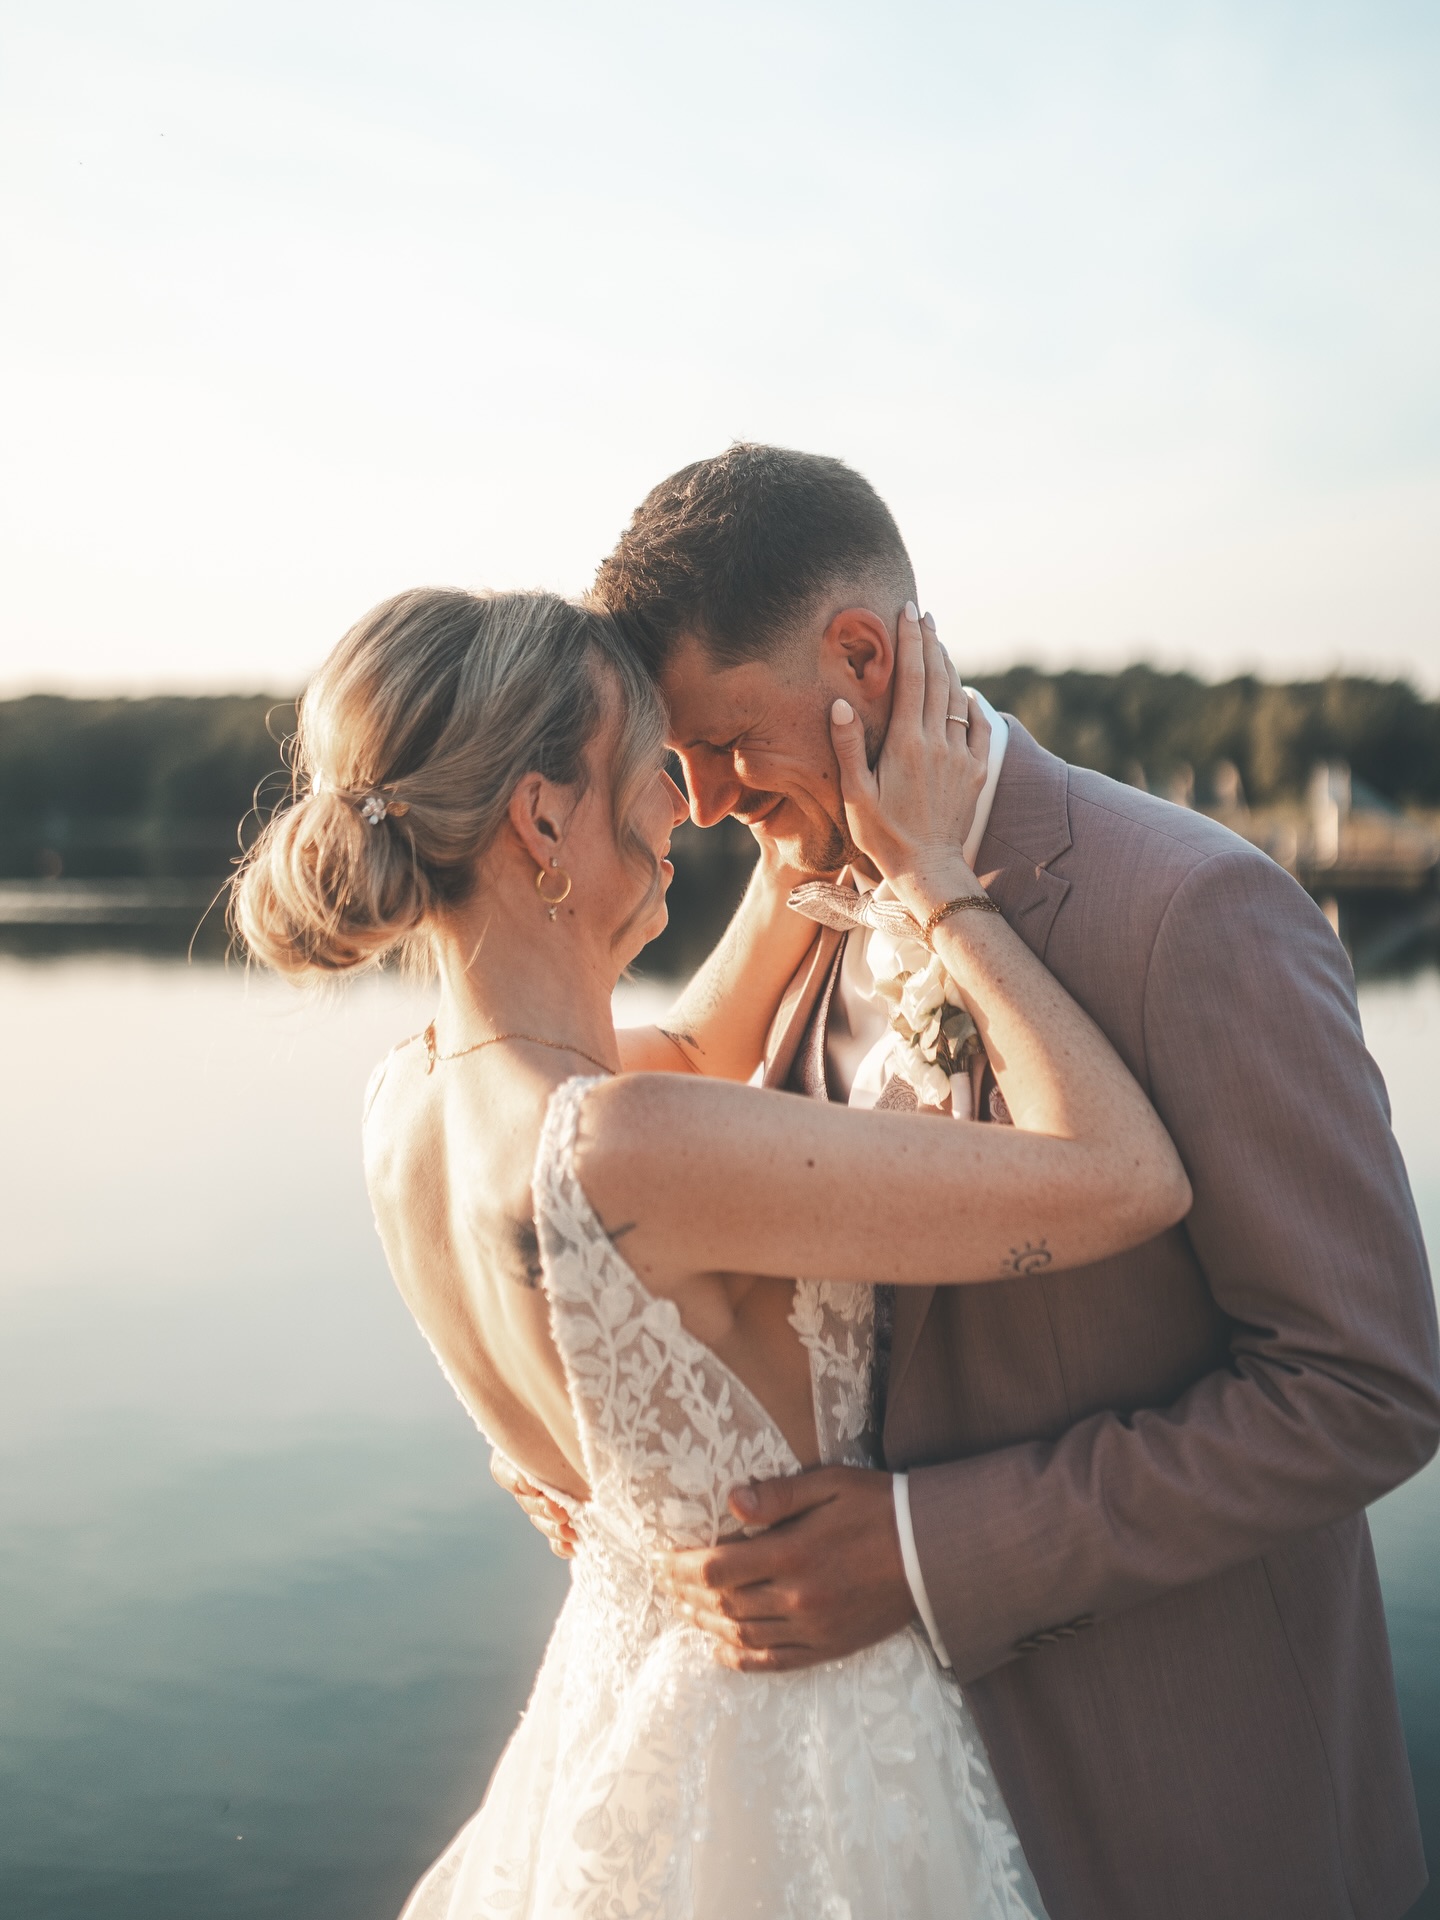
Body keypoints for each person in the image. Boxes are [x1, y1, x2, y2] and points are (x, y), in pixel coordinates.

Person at [501, 443, 1440, 1920]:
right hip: (890, 1815)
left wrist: (931, 1551)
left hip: (1176, 1798)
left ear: (860, 659)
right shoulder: (801, 892)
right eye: (671, 759)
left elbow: (1364, 1387)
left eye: (723, 741)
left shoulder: (1191, 912)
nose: (695, 801)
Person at [232, 583, 1191, 1918]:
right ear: (541, 817)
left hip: (624, 1713)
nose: (688, 803)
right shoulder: (625, 1152)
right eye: (648, 770)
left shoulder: (407, 1107)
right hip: (800, 1765)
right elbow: (1122, 1178)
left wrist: (823, 827)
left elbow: (693, 1048)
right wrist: (935, 883)